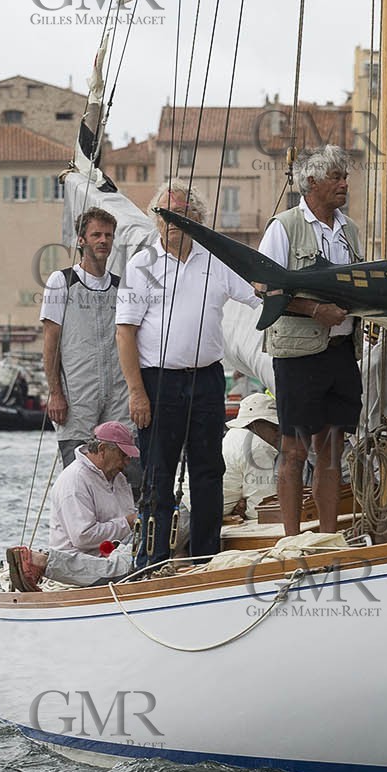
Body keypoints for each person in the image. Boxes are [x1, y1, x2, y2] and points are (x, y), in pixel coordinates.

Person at [117, 181, 260, 566]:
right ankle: (153, 557)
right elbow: (125, 332)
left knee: (208, 469)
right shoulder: (141, 265)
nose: (173, 223)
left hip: (208, 379)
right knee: (157, 474)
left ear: (196, 219)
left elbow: (256, 293)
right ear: (155, 221)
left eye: (181, 214)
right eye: (165, 215)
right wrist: (136, 393)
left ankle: (205, 557)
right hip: (158, 382)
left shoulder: (216, 262)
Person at [256, 145, 364, 537]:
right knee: (295, 450)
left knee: (333, 452)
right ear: (312, 183)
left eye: (345, 177)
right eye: (336, 177)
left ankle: (326, 536)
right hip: (299, 356)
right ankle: (291, 540)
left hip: (340, 352)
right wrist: (316, 311)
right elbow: (264, 287)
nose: (344, 184)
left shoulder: (349, 230)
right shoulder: (283, 227)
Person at [5, 421, 142, 592]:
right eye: (123, 455)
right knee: (137, 565)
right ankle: (39, 562)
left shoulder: (118, 477)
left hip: (112, 553)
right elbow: (83, 537)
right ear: (102, 450)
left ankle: (40, 561)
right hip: (83, 560)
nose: (127, 461)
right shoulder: (74, 480)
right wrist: (128, 522)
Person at [42, 206, 128, 470]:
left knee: (124, 471)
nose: (103, 240)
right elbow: (50, 342)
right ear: (81, 240)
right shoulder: (62, 282)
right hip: (77, 397)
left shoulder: (121, 286)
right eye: (96, 235)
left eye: (109, 235)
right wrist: (55, 393)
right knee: (78, 472)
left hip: (118, 395)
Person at [221, 392, 281, 524]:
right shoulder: (258, 447)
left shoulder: (233, 435)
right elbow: (260, 511)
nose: (279, 433)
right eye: (274, 427)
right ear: (255, 424)